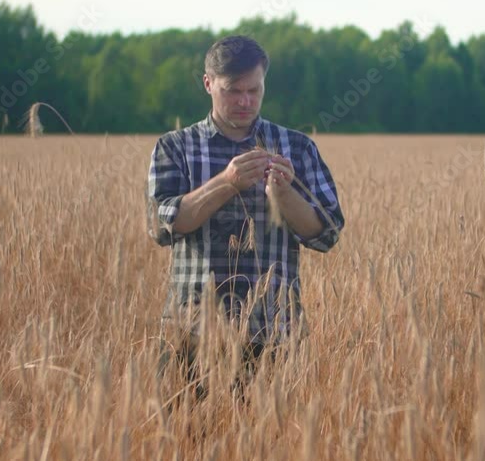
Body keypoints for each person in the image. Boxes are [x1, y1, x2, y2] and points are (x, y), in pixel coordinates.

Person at [147, 35, 345, 401]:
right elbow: (161, 226)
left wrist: (285, 195)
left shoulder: (296, 147)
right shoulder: (175, 147)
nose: (245, 101)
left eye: (254, 90)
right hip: (192, 332)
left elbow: (327, 233)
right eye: (232, 90)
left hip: (273, 331)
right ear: (208, 84)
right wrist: (227, 183)